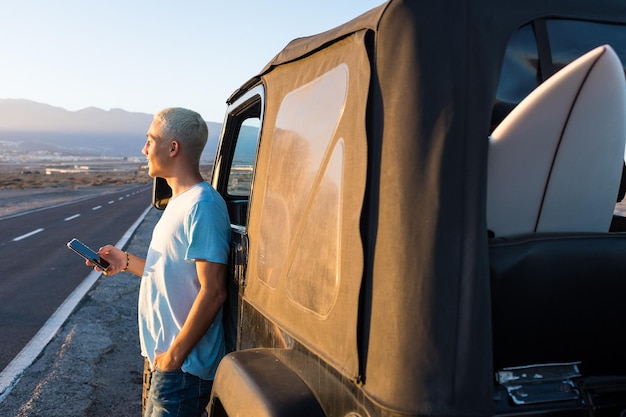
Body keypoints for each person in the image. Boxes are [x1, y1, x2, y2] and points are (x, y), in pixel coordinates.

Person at [88, 107, 231, 417]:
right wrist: (124, 261)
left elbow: (214, 290)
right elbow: (172, 272)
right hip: (165, 365)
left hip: (182, 369)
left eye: (150, 140)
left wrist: (173, 357)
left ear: (173, 147)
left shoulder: (203, 205)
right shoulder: (179, 202)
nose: (144, 149)